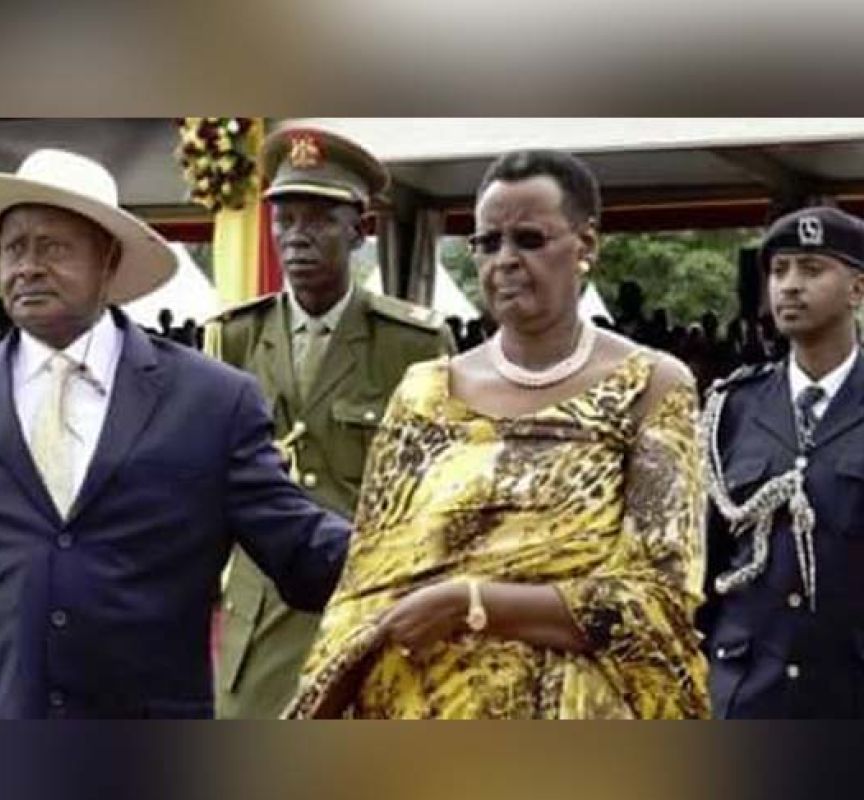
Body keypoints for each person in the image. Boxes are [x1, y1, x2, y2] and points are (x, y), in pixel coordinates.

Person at [0, 149, 349, 720]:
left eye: (52, 247)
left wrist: (424, 555)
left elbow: (301, 550)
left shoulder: (212, 402)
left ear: (109, 260)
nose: (28, 267)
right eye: (14, 248)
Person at [287, 149, 709, 719]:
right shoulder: (424, 394)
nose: (505, 260)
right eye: (487, 243)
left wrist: (473, 603)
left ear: (586, 245)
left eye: (529, 240)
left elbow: (656, 601)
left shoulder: (652, 387)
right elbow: (366, 584)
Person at [207, 125, 455, 719]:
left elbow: (442, 490)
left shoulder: (412, 343)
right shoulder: (235, 337)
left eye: (319, 219)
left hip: (371, 604)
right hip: (261, 615)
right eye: (285, 219)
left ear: (359, 230)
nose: (297, 236)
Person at [701, 207, 864, 718]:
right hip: (748, 690)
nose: (790, 285)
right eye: (779, 270)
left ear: (857, 290)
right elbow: (706, 559)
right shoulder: (732, 407)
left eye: (812, 270)